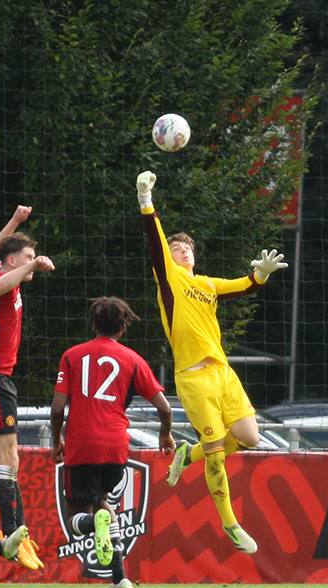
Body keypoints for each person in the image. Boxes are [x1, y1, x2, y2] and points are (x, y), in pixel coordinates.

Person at [134, 171, 288, 555]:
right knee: (218, 457)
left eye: (187, 248)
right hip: (193, 378)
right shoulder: (168, 279)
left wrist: (261, 275)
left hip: (223, 373)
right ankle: (230, 523)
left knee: (250, 439)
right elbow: (155, 243)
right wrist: (146, 201)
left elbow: (244, 284)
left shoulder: (205, 284)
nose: (183, 250)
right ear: (168, 258)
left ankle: (190, 453)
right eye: (177, 247)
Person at [50, 296, 174, 588]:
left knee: (75, 516)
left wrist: (57, 440)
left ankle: (95, 525)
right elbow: (166, 408)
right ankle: (121, 579)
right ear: (123, 328)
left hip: (83, 446)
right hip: (117, 445)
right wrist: (165, 435)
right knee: (103, 501)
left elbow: (57, 409)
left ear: (94, 324)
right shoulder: (133, 360)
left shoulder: (72, 355)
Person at [0, 204, 55, 571]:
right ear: (14, 261)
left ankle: (18, 534)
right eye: (27, 256)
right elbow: (0, 281)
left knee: (11, 459)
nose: (33, 261)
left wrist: (15, 222)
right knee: (8, 460)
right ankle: (11, 535)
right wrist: (31, 265)